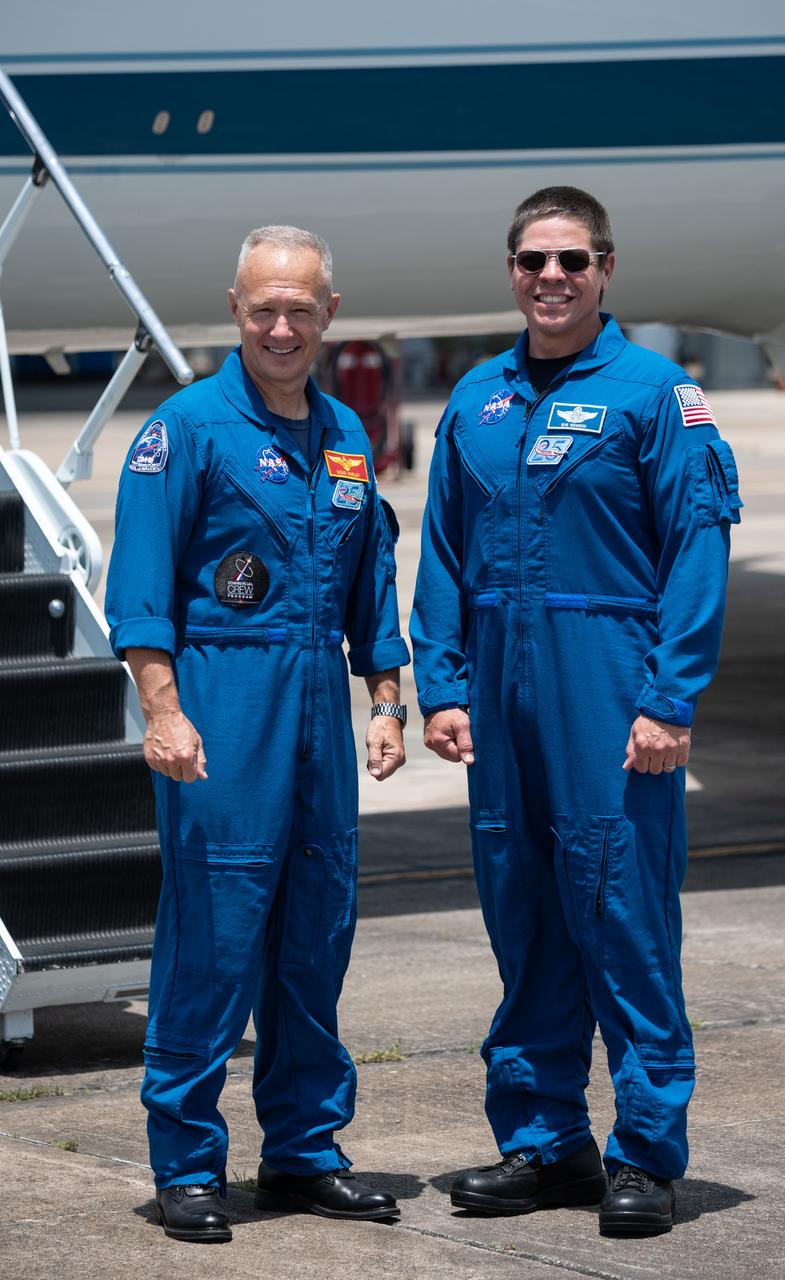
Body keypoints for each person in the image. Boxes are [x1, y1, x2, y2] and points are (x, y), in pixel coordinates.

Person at [411, 187, 742, 1235]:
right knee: (524, 910)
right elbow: (444, 555)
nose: (549, 278)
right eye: (530, 260)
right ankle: (545, 1139)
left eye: (570, 260)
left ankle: (644, 1150)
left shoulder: (657, 394)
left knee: (622, 912)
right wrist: (443, 683)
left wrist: (667, 694)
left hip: (607, 683)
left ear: (605, 269)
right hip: (501, 692)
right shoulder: (477, 399)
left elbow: (697, 548)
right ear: (510, 270)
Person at [106, 225, 411, 1242]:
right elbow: (141, 585)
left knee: (314, 935)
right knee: (215, 936)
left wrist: (386, 699)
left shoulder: (346, 436)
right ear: (235, 310)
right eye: (263, 307)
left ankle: (304, 1150)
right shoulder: (185, 428)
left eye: (301, 308)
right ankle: (188, 1163)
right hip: (223, 703)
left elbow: (374, 581)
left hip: (321, 697)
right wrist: (164, 707)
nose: (282, 325)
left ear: (329, 315)